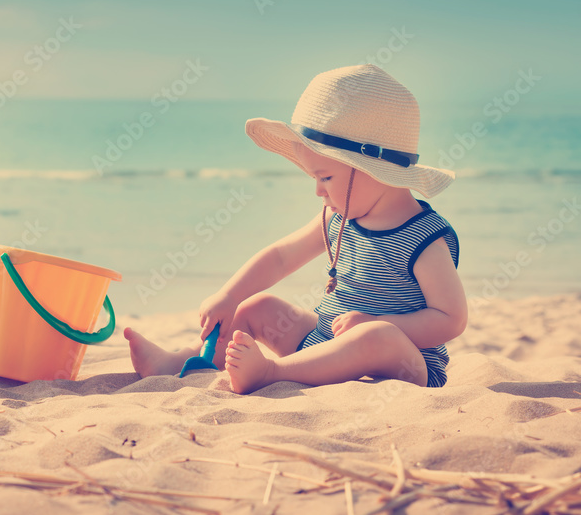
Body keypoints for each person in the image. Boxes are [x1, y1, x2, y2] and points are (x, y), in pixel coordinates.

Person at [126, 64, 467, 393]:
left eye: (325, 178)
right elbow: (280, 258)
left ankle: (272, 373)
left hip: (401, 361)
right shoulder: (338, 218)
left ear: (372, 169)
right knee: (254, 307)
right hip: (323, 343)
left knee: (378, 336)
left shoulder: (423, 238)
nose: (318, 191)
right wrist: (230, 296)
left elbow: (451, 319)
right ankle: (184, 363)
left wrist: (385, 325)